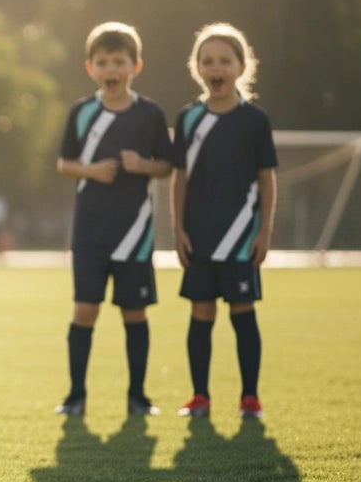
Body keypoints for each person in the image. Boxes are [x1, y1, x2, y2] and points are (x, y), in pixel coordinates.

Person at [53, 21, 173, 416]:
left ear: (135, 66)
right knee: (84, 310)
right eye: (102, 62)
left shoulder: (150, 114)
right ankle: (75, 397)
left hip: (134, 234)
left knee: (133, 313)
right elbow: (64, 163)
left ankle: (138, 398)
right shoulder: (82, 112)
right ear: (90, 68)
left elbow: (166, 167)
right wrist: (90, 171)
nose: (111, 70)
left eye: (118, 61)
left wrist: (141, 165)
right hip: (89, 233)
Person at [170, 22, 277, 419]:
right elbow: (179, 178)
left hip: (241, 239)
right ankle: (200, 397)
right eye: (207, 60)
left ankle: (250, 398)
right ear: (197, 67)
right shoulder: (187, 119)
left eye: (224, 60)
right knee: (201, 314)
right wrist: (178, 229)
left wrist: (264, 231)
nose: (216, 67)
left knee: (242, 313)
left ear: (241, 66)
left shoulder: (255, 120)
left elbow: (267, 178)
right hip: (198, 237)